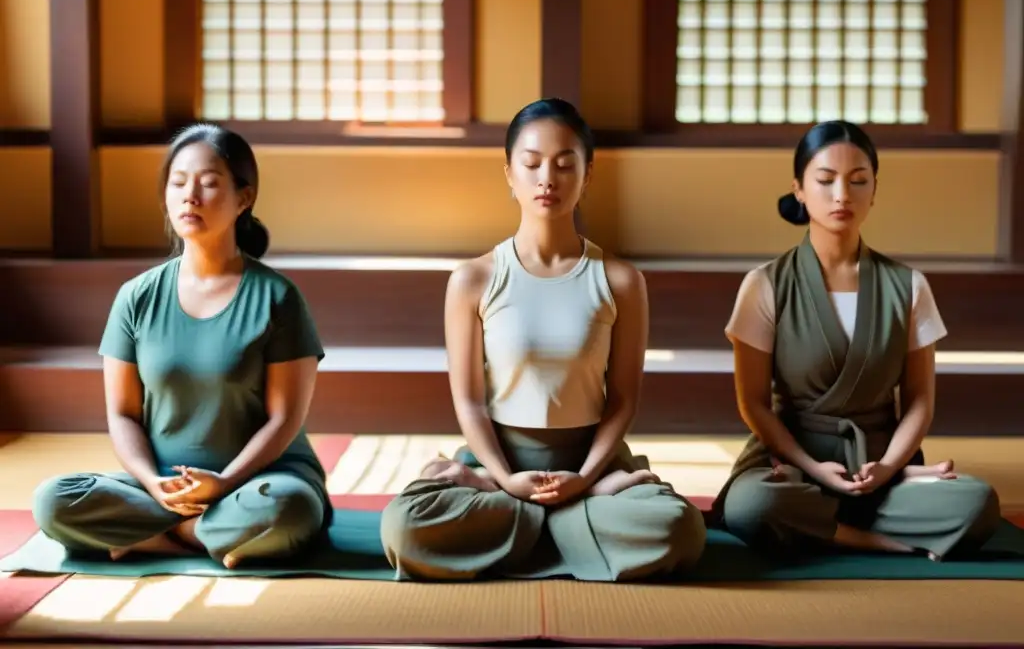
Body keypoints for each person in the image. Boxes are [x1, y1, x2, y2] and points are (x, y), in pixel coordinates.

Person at [379, 98, 707, 581]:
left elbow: (622, 401)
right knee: (405, 529)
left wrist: (588, 479)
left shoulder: (619, 280)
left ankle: (544, 519)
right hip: (502, 463)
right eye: (531, 164)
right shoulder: (473, 279)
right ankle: (569, 525)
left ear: (588, 174)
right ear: (509, 173)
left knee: (678, 528)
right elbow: (470, 402)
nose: (546, 178)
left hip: (589, 463)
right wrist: (506, 480)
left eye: (564, 164)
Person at [32, 123, 329, 568]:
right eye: (178, 182)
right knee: (53, 500)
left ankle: (150, 539)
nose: (190, 196)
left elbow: (284, 419)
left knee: (288, 510)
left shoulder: (278, 299)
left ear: (244, 199)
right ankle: (204, 537)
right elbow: (123, 413)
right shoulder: (137, 295)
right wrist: (152, 483)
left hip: (259, 483)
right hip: (162, 490)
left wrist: (225, 482)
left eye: (209, 184)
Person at [711, 120, 1002, 562]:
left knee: (977, 504)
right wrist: (811, 468)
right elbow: (753, 404)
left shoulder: (908, 286)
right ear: (800, 189)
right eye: (825, 181)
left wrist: (888, 468)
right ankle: (877, 541)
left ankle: (847, 518)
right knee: (753, 506)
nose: (842, 195)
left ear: (874, 190)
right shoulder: (765, 284)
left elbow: (920, 401)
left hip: (880, 467)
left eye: (858, 180)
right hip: (793, 468)